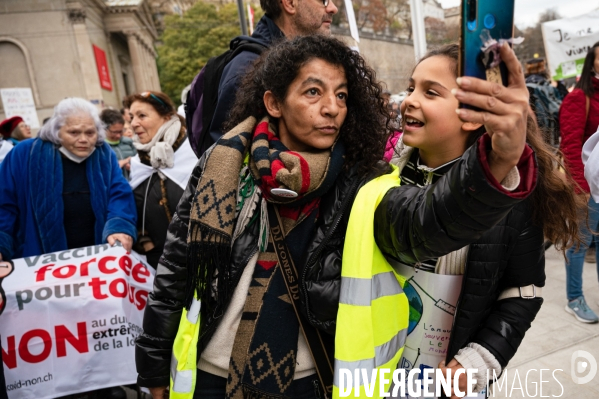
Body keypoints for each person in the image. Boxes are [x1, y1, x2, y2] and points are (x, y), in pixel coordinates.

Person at [135, 36, 537, 399]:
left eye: (342, 96)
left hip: (310, 383)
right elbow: (173, 274)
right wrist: (152, 370)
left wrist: (498, 160)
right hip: (208, 378)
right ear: (274, 102)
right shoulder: (221, 165)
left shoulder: (364, 182)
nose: (332, 108)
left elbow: (428, 221)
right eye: (314, 92)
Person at [377, 43, 583, 397]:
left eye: (430, 92)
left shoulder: (509, 196)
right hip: (375, 374)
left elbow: (523, 292)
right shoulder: (381, 179)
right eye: (411, 88)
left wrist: (477, 361)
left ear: (471, 114)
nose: (409, 100)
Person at [187, 0, 340, 156]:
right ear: (290, 3)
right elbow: (227, 162)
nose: (333, 8)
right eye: (324, 1)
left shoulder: (303, 59)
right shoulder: (247, 70)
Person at [0, 97, 136, 261]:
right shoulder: (24, 153)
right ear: (56, 131)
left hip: (97, 259)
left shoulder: (103, 154)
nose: (84, 139)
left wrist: (119, 226)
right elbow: (4, 203)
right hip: (38, 259)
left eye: (90, 133)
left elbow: (119, 193)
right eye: (74, 132)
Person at [126, 91, 197, 268]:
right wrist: (146, 243)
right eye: (131, 117)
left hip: (199, 261)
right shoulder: (139, 163)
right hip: (157, 265)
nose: (134, 123)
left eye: (142, 115)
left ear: (167, 117)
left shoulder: (195, 152)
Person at [559, 41, 599, 323]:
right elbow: (571, 145)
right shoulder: (579, 97)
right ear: (592, 63)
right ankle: (574, 298)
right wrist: (580, 188)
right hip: (587, 189)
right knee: (578, 245)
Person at [100, 108, 137, 180]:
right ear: (104, 129)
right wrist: (116, 166)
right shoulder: (100, 147)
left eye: (121, 131)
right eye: (114, 132)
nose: (118, 135)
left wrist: (133, 167)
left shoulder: (129, 143)